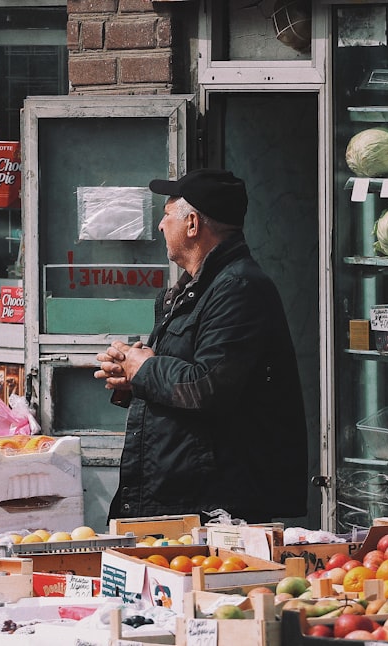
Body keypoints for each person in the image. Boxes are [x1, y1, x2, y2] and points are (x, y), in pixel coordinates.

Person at [95, 168, 308, 524]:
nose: (161, 227)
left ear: (192, 224)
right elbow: (185, 376)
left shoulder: (238, 288)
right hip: (180, 494)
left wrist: (145, 367)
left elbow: (209, 385)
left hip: (214, 504)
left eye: (166, 216)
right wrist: (132, 375)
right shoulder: (193, 289)